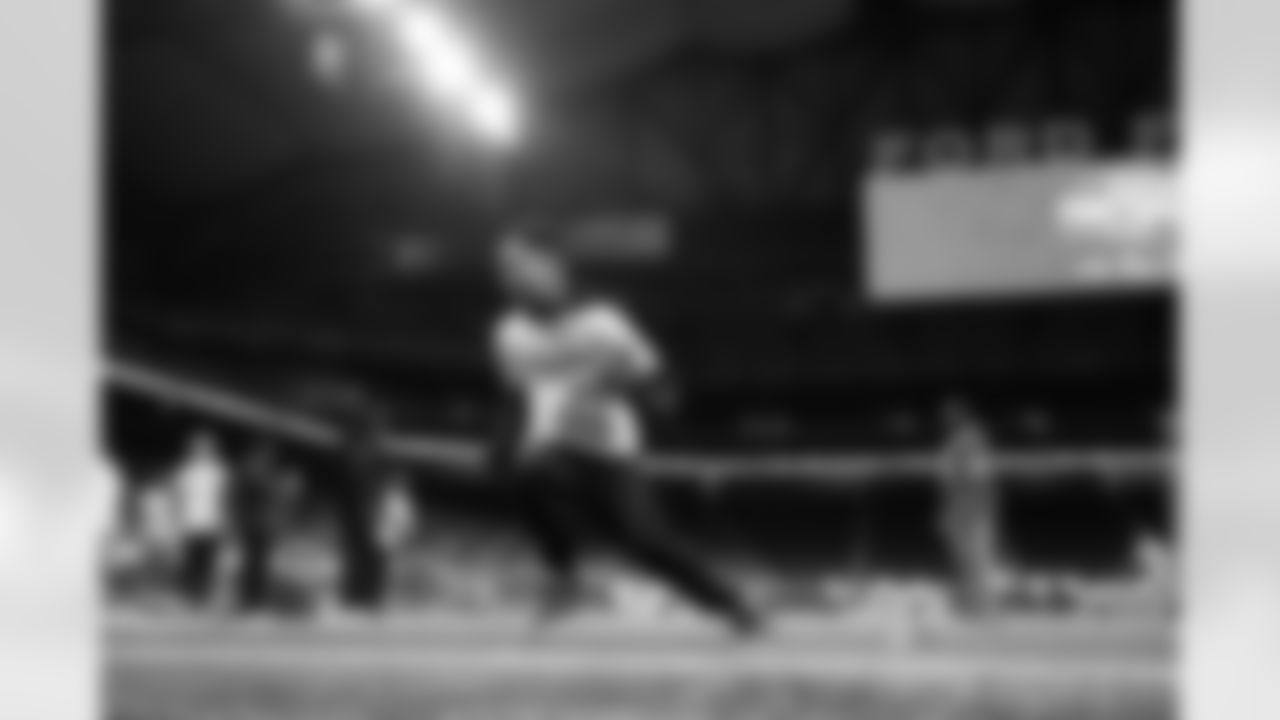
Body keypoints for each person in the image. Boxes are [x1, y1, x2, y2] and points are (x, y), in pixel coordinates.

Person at [487, 225, 760, 635]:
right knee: (526, 471)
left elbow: (663, 388)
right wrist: (501, 449)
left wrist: (625, 386)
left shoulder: (604, 323)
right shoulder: (508, 334)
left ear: (553, 265)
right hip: (555, 450)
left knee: (646, 541)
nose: (509, 276)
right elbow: (517, 398)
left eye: (518, 264)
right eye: (503, 268)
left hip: (610, 453)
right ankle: (563, 577)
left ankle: (731, 605)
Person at [936, 398, 1003, 614]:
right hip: (960, 510)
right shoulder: (954, 440)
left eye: (952, 414)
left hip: (974, 512)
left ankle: (979, 605)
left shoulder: (972, 436)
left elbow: (979, 474)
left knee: (976, 560)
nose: (947, 419)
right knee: (963, 561)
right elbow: (948, 478)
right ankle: (968, 603)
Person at [171, 431, 230, 609]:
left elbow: (223, 498)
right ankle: (189, 595)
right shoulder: (185, 471)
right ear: (192, 450)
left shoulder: (218, 472)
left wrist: (224, 521)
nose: (201, 451)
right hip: (190, 521)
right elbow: (178, 498)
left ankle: (203, 596)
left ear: (212, 450)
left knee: (207, 562)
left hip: (212, 522)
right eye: (198, 448)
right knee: (190, 560)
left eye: (205, 448)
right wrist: (177, 520)